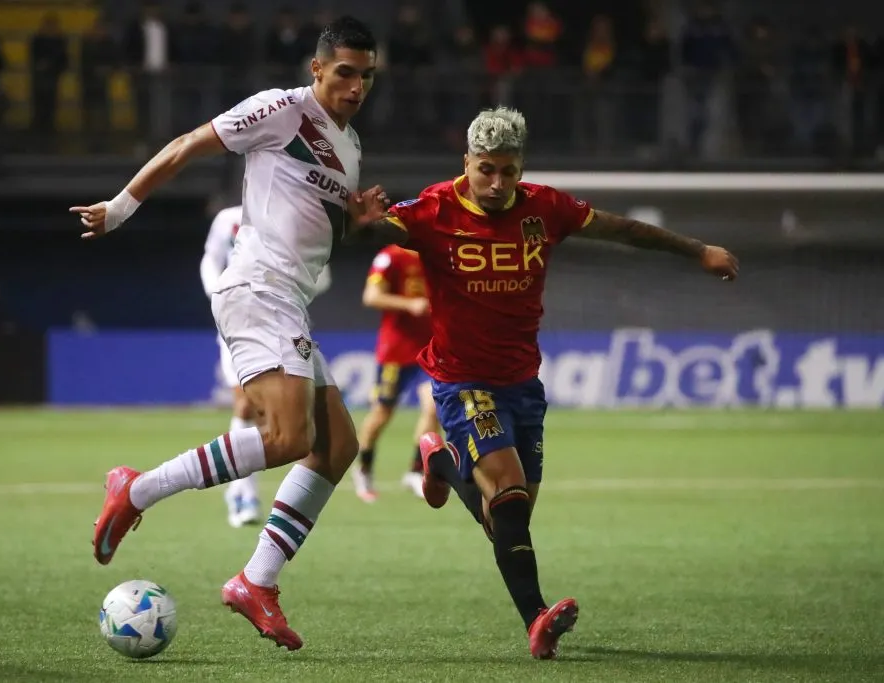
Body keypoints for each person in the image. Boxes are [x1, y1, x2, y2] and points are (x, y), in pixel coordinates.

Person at [351, 106, 739, 659]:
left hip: (522, 384)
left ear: (521, 168)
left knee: (507, 517)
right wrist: (355, 218)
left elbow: (624, 230)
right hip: (462, 381)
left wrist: (698, 250)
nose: (497, 182)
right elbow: (358, 230)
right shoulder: (434, 210)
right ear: (467, 163)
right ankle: (537, 620)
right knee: (507, 494)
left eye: (508, 171)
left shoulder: (546, 208)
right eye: (486, 168)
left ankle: (438, 462)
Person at [71, 16, 388, 651]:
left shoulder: (349, 148)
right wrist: (120, 208)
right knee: (289, 436)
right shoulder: (281, 110)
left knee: (336, 447)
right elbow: (189, 142)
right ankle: (135, 489)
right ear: (318, 70)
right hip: (255, 289)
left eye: (366, 76)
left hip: (291, 302)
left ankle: (256, 580)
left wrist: (359, 222)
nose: (355, 87)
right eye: (345, 73)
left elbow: (317, 233)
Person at [201, 204, 333, 526]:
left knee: (294, 416)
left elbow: (323, 275)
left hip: (288, 321)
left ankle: (282, 499)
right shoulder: (228, 219)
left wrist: (291, 291)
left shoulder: (300, 215)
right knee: (246, 405)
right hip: (240, 318)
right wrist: (219, 293)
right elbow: (210, 259)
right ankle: (244, 493)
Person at [352, 245, 438, 502]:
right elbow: (371, 296)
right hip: (396, 351)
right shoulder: (390, 257)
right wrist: (409, 304)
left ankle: (416, 470)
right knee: (381, 413)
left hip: (431, 348)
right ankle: (364, 467)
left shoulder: (439, 252)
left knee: (434, 407)